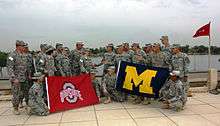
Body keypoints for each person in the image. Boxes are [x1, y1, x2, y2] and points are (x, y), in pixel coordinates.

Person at [7, 40, 30, 115]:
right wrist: (13, 78)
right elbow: (9, 67)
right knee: (16, 94)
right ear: (18, 46)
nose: (24, 47)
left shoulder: (24, 55)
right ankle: (15, 108)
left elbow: (26, 66)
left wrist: (28, 75)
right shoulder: (12, 55)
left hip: (25, 78)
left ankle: (28, 105)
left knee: (26, 92)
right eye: (23, 46)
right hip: (16, 79)